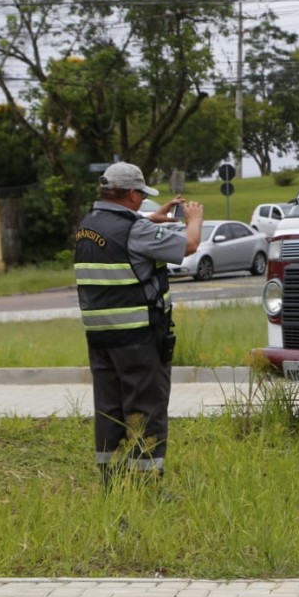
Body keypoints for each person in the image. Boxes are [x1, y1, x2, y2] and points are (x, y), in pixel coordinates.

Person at [73, 162, 204, 488]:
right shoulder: (136, 231)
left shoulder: (88, 226)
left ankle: (112, 480)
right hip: (137, 338)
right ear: (131, 193)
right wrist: (194, 220)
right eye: (142, 195)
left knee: (109, 408)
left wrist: (149, 217)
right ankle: (146, 486)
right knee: (146, 408)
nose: (143, 199)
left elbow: (121, 233)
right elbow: (189, 245)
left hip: (100, 338)